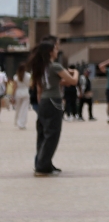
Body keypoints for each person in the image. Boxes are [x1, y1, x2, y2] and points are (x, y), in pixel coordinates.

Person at [28, 40, 78, 175]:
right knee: (52, 134)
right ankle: (43, 166)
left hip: (43, 101)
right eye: (55, 49)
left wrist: (40, 106)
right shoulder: (55, 66)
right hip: (54, 100)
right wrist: (75, 72)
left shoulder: (39, 67)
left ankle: (43, 162)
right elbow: (73, 81)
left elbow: (40, 89)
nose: (57, 51)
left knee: (43, 134)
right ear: (50, 52)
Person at [11, 61, 32, 130]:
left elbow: (14, 87)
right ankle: (22, 123)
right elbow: (30, 85)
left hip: (18, 93)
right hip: (26, 92)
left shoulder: (16, 76)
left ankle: (17, 121)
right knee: (24, 109)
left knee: (18, 108)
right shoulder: (28, 76)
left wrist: (12, 96)